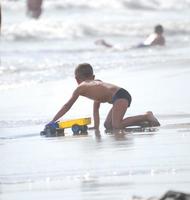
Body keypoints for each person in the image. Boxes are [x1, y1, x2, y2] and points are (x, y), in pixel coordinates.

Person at [49, 63, 160, 131]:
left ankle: (146, 116)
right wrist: (96, 127)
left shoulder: (81, 87)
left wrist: (53, 121)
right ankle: (144, 122)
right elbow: (96, 108)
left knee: (117, 125)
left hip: (120, 97)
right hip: (121, 95)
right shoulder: (97, 83)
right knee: (108, 125)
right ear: (93, 76)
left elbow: (67, 105)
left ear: (76, 79)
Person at [95, 24, 165, 49]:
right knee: (123, 49)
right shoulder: (160, 36)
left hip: (142, 44)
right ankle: (105, 44)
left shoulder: (152, 34)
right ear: (160, 30)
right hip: (145, 46)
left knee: (125, 48)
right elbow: (158, 45)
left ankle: (106, 44)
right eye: (162, 29)